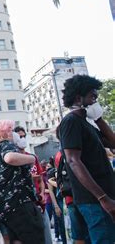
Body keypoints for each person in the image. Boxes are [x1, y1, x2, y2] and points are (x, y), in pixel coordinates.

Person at [58, 75, 115, 243]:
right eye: (92, 97)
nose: (95, 101)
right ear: (78, 98)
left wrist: (98, 118)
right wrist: (103, 198)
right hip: (94, 201)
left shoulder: (88, 123)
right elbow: (73, 161)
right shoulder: (71, 122)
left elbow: (113, 142)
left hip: (103, 198)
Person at [0, 120, 44, 244]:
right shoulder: (6, 145)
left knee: (16, 240)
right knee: (34, 237)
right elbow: (10, 158)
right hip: (20, 202)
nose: (14, 134)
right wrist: (32, 158)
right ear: (4, 134)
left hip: (4, 208)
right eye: (11, 131)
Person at [13, 126, 52, 244]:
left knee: (46, 236)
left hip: (39, 203)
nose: (23, 139)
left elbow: (40, 179)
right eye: (20, 137)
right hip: (23, 205)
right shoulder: (11, 158)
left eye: (24, 136)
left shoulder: (32, 157)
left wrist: (41, 194)